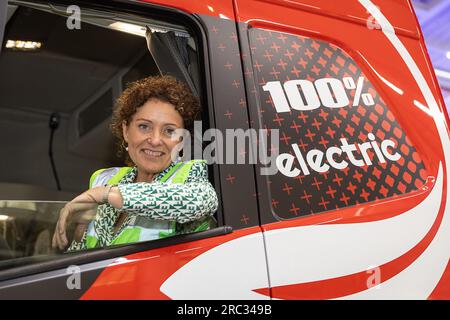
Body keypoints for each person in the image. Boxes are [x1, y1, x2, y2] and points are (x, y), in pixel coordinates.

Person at [52, 75, 218, 251]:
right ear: (125, 130)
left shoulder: (191, 175)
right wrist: (74, 235)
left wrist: (104, 194)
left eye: (169, 131)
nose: (155, 140)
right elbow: (81, 262)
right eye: (144, 126)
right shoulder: (104, 179)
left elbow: (203, 200)